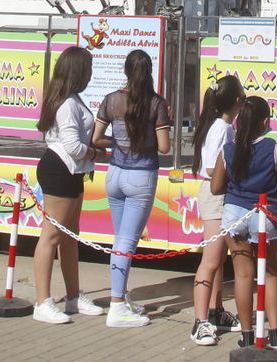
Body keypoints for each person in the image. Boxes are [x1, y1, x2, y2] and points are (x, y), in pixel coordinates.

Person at [91, 49, 172, 329]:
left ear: (125, 70)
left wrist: (118, 143)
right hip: (141, 176)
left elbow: (96, 138)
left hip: (114, 173)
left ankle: (122, 298)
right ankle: (116, 306)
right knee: (126, 243)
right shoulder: (156, 103)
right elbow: (164, 147)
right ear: (150, 72)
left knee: (120, 240)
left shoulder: (111, 100)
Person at [213, 96, 277, 350]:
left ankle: (247, 335)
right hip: (266, 213)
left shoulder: (228, 149)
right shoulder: (274, 147)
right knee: (270, 273)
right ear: (265, 121)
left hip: (235, 214)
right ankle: (275, 334)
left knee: (242, 275)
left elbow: (216, 187)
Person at [33, 47, 104, 325]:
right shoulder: (66, 103)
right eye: (88, 69)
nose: (90, 74)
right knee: (51, 236)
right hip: (60, 169)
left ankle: (73, 296)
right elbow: (74, 146)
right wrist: (96, 153)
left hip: (73, 172)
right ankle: (43, 301)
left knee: (70, 236)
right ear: (77, 72)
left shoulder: (71, 99)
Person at [190, 75, 245, 345]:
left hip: (220, 195)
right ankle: (200, 321)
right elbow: (213, 168)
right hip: (215, 196)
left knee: (219, 258)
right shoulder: (222, 128)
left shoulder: (221, 126)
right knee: (210, 260)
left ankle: (216, 310)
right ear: (237, 101)